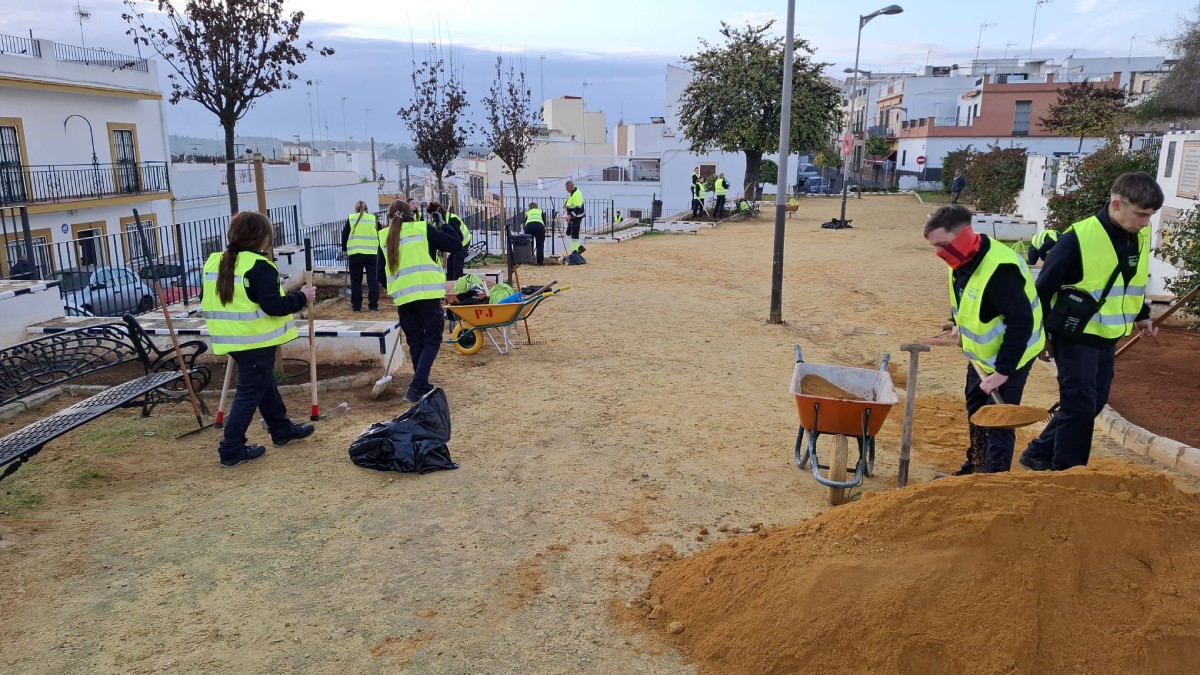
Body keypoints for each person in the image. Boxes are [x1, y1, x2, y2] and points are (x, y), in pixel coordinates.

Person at [1019, 172, 1162, 472]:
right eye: (1141, 215)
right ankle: (1069, 471)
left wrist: (1143, 316)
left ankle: (1039, 452)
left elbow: (1132, 280)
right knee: (1080, 405)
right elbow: (1041, 291)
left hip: (1107, 336)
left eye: (1150, 216)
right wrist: (1041, 336)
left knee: (1093, 403)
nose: (1145, 222)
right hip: (1075, 336)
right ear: (1116, 204)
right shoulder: (1077, 239)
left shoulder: (1140, 235)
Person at [925, 205, 1046, 474]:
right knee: (976, 409)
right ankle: (976, 467)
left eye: (942, 245)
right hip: (980, 354)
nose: (938, 253)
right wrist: (957, 324)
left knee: (999, 418)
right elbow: (962, 295)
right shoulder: (959, 260)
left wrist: (1003, 372)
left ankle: (993, 481)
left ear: (964, 235)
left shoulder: (1001, 270)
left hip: (1013, 355)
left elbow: (1021, 322)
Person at [201, 211, 316, 468]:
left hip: (233, 338)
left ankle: (281, 430)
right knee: (249, 392)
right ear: (262, 237)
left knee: (264, 384)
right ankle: (231, 448)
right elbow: (273, 305)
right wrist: (302, 297)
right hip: (255, 340)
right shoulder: (259, 265)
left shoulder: (214, 262)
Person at [380, 199, 462, 402]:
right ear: (412, 213)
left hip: (403, 297)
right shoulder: (422, 228)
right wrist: (443, 223)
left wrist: (395, 289)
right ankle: (417, 386)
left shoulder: (384, 236)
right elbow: (455, 244)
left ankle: (422, 384)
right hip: (427, 294)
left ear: (389, 217)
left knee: (415, 341)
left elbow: (379, 274)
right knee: (433, 339)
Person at [340, 200, 380, 312]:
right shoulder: (373, 219)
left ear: (356, 208)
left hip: (355, 254)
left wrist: (345, 249)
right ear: (367, 208)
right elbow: (380, 233)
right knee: (372, 280)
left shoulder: (351, 218)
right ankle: (373, 306)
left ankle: (356, 307)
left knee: (356, 281)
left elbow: (344, 234)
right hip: (371, 254)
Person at [444, 204, 470, 280]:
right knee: (450, 263)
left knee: (457, 263)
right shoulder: (441, 221)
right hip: (455, 244)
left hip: (463, 242)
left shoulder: (451, 219)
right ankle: (449, 281)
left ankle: (458, 282)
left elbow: (460, 237)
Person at [564, 181, 586, 255]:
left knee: (574, 234)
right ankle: (579, 247)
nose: (566, 190)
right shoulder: (572, 192)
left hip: (577, 217)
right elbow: (570, 199)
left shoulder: (576, 194)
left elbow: (578, 208)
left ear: (571, 187)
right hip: (573, 217)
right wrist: (566, 203)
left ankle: (575, 251)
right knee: (568, 233)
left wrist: (570, 216)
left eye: (567, 188)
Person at [524, 201, 546, 265]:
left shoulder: (528, 212)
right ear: (537, 207)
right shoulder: (540, 211)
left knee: (529, 244)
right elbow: (544, 222)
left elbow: (525, 222)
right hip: (539, 226)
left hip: (529, 226)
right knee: (540, 245)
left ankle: (529, 260)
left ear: (529, 207)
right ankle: (540, 262)